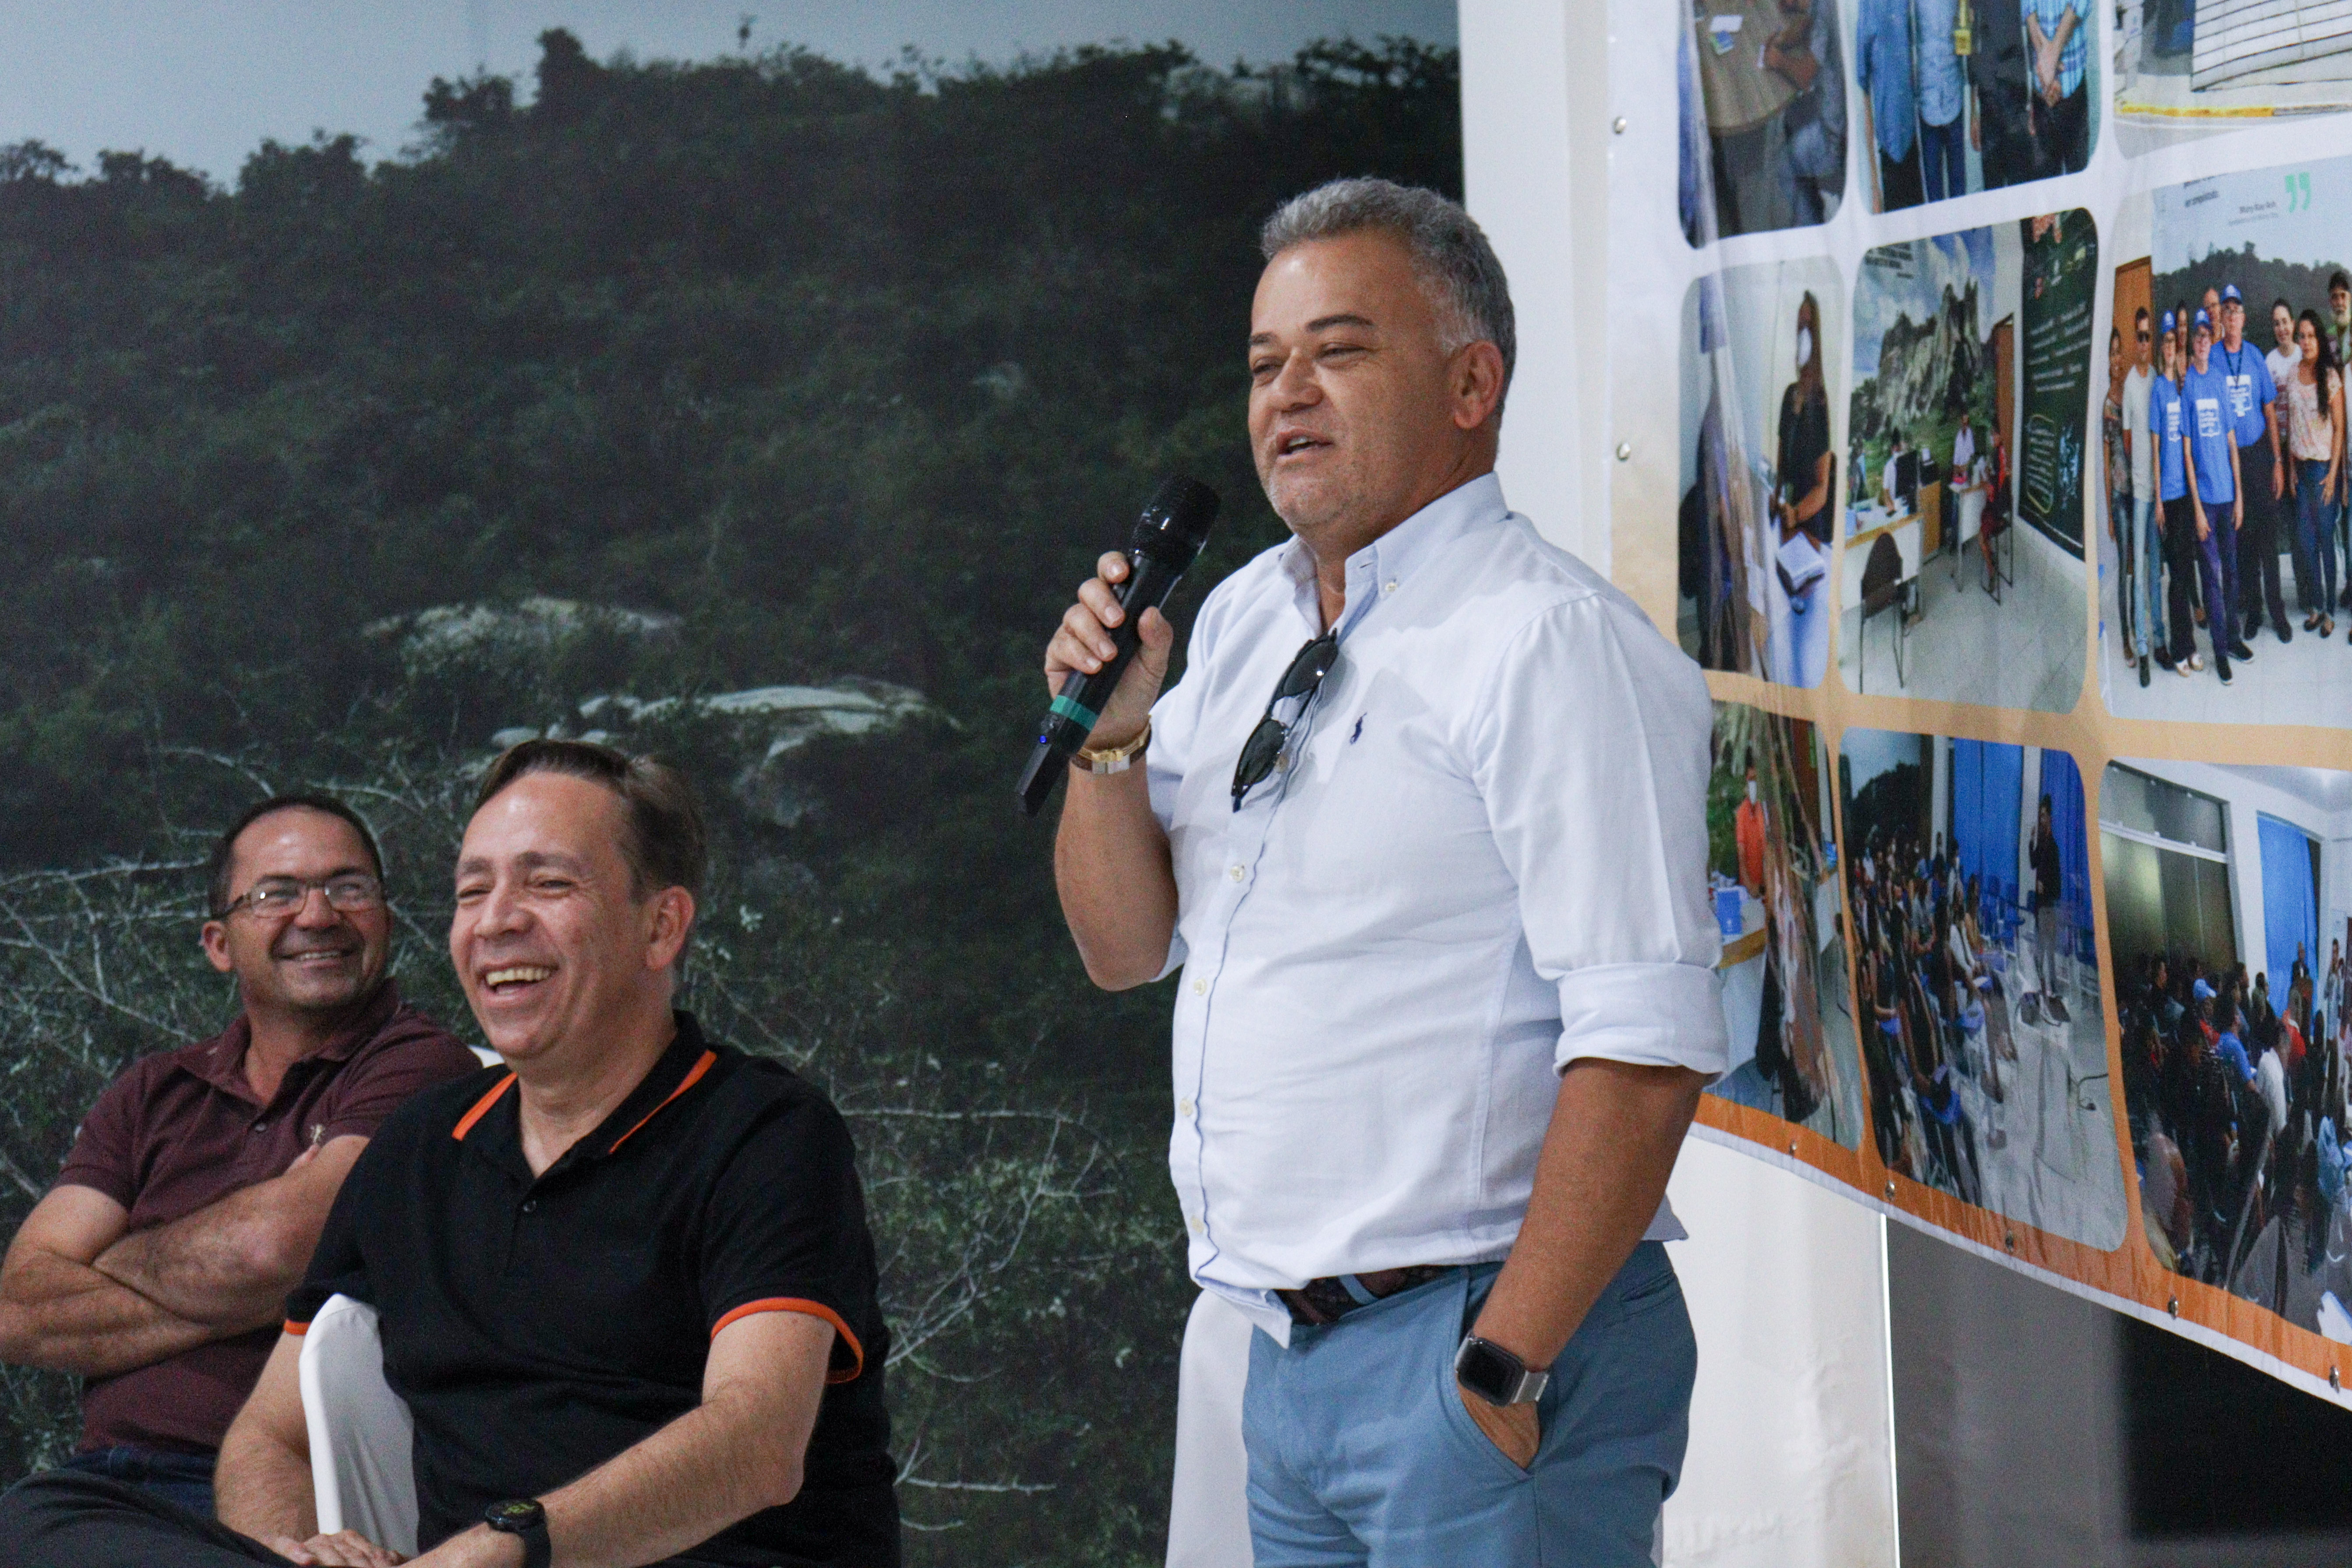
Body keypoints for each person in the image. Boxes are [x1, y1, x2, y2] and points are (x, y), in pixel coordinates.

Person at [1045, 178, 1724, 1565]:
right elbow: (1123, 948)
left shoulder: (1545, 642)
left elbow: (1644, 1048)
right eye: (1263, 364)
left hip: (1476, 1352)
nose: (1285, 395)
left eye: (1338, 351)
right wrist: (1107, 743)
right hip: (1287, 1360)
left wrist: (1501, 1368)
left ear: (1471, 384)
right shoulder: (1242, 615)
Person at [0, 743, 902, 1567]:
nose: (496, 922)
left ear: (661, 927)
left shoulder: (766, 1130)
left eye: (548, 883)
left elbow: (756, 1443)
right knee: (42, 1518)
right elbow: (273, 1435)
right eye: (473, 892)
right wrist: (296, 1548)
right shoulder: (422, 1146)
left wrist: (504, 1548)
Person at [0, 797, 479, 1518]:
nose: (318, 915)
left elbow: (269, 1249)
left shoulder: (424, 1066)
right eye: (277, 894)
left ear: (385, 917)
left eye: (348, 887)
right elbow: (18, 1310)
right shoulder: (152, 1091)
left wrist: (111, 1262)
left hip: (289, 1492)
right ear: (219, 944)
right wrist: (258, 1290)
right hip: (99, 1481)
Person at [2219, 285, 2289, 646]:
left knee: (2267, 537)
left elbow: (2269, 411)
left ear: (2244, 319)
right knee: (2243, 537)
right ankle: (2256, 611)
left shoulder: (2255, 357)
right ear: (2222, 318)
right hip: (2232, 461)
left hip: (2260, 454)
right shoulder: (2214, 359)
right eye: (2227, 310)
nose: (2232, 317)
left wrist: (2277, 461)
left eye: (2237, 310)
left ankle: (2277, 610)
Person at [1776, 290, 1835, 685]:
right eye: (1797, 327)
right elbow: (1782, 466)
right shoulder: (1788, 397)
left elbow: (1822, 488)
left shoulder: (1820, 405)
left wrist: (1796, 513)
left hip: (1811, 531)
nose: (1801, 337)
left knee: (1803, 656)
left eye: (1807, 328)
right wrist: (1775, 496)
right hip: (1788, 526)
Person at [2184, 308, 2247, 682]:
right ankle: (2220, 652)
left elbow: (2232, 443)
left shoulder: (2221, 381)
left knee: (2233, 572)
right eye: (2198, 338)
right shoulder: (2188, 386)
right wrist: (2196, 508)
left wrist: (2240, 496)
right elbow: (2188, 454)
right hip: (2205, 502)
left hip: (2227, 496)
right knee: (2212, 578)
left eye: (2208, 337)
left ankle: (2234, 640)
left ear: (2212, 341)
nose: (2204, 342)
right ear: (2193, 345)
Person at [2152, 312, 2215, 676]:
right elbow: (2156, 448)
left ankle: (2189, 645)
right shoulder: (2158, 390)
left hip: (2189, 493)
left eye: (2174, 342)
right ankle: (2181, 649)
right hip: (2170, 495)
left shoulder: (2184, 383)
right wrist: (2159, 498)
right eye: (2165, 342)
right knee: (2177, 577)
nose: (2170, 347)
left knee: (2186, 570)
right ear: (2161, 349)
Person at [2285, 308, 2343, 639]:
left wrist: (2333, 475)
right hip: (2302, 470)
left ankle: (2331, 612)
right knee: (2306, 545)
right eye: (2302, 337)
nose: (2306, 342)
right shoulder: (2293, 374)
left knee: (2324, 543)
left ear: (2319, 339)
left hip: (2322, 470)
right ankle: (2317, 606)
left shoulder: (2330, 378)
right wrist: (2292, 468)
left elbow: (2339, 430)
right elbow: (2291, 425)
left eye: (2311, 336)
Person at [1766, 0, 1846, 227]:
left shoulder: (1824, 13)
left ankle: (1811, 229)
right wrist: (1785, 39)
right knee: (1790, 118)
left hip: (1836, 136)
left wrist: (1779, 60)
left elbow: (1804, 76)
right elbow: (1806, 24)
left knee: (1784, 166)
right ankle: (1813, 205)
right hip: (1832, 109)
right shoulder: (1824, 6)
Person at [1854, 0, 1923, 212]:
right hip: (1887, 145)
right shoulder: (1868, 7)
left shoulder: (1906, 4)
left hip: (1914, 137)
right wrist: (1875, 189)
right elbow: (1864, 97)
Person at [2123, 307, 2161, 682]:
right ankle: (2144, 648)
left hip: (2160, 493)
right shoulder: (2130, 385)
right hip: (2139, 493)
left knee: (2155, 571)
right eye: (2141, 336)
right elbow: (2127, 437)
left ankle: (2159, 640)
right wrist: (2139, 475)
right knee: (2137, 574)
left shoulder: (2160, 381)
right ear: (2135, 341)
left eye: (2149, 336)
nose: (2145, 342)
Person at [1967, 0, 2038, 187]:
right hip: (1988, 98)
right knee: (1993, 185)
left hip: (2016, 94)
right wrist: (1974, 112)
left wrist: (2033, 100)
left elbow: (2031, 38)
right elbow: (1972, 48)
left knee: (2021, 182)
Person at [2024, 0, 2092, 175]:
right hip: (2042, 85)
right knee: (2046, 182)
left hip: (2071, 81)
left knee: (2077, 179)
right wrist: (2046, 61)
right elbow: (2027, 6)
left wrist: (2051, 56)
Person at [1914, 0, 1967, 201]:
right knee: (1933, 185)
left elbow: (1964, 37)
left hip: (1954, 94)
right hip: (1927, 99)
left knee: (1958, 186)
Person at [2028, 795, 2068, 1021]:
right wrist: (2031, 841)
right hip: (2040, 905)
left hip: (2049, 907)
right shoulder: (2043, 843)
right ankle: (2044, 991)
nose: (2042, 820)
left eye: (2044, 816)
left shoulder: (2053, 847)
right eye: (2040, 816)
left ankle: (2052, 993)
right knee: (2041, 951)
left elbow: (2057, 885)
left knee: (2048, 952)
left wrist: (2047, 888)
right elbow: (2033, 863)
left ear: (2050, 818)